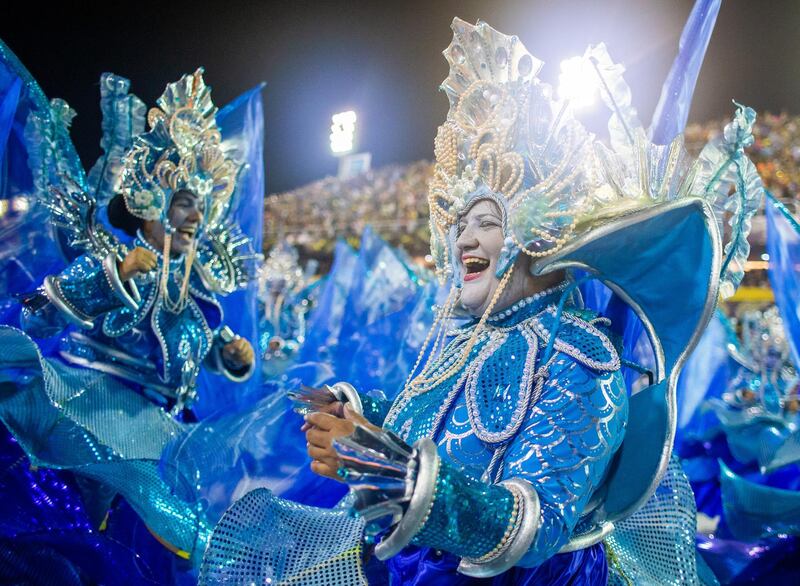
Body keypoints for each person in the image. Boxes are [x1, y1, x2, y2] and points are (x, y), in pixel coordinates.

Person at [199, 10, 762, 584]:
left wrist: (383, 466)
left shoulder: (582, 358)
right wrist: (359, 417)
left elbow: (533, 524)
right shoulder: (470, 335)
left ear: (536, 233)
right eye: (461, 221)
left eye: (487, 220)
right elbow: (431, 422)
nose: (463, 237)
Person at [0, 64, 259, 561]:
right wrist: (115, 274)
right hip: (91, 410)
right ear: (150, 202)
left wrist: (234, 354)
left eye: (200, 206)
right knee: (137, 524)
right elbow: (36, 315)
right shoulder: (107, 256)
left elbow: (210, 347)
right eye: (184, 201)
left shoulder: (198, 292)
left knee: (143, 535)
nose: (195, 217)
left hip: (163, 429)